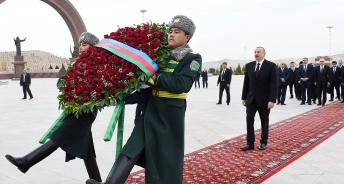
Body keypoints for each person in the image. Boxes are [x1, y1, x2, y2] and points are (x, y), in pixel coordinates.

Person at [86, 15, 202, 184]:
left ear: (187, 37)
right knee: (130, 149)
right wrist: (122, 98)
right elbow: (147, 89)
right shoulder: (160, 56)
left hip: (169, 115)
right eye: (170, 31)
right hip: (149, 109)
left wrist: (153, 78)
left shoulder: (192, 57)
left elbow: (182, 84)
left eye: (177, 32)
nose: (171, 34)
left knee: (165, 161)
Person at [5, 32, 102, 182]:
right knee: (87, 151)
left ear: (93, 47)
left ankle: (26, 162)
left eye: (85, 44)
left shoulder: (97, 64)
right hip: (75, 109)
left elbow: (98, 88)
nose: (81, 47)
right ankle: (97, 179)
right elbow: (63, 81)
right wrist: (65, 85)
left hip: (86, 111)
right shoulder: (78, 63)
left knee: (58, 136)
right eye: (80, 44)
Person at [240, 47, 277, 151]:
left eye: (258, 52)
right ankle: (249, 143)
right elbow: (246, 83)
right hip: (251, 100)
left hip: (265, 100)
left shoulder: (271, 66)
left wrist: (272, 99)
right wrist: (244, 97)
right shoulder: (249, 66)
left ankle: (263, 142)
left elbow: (273, 84)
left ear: (264, 53)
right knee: (249, 121)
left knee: (264, 121)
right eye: (255, 52)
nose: (256, 54)